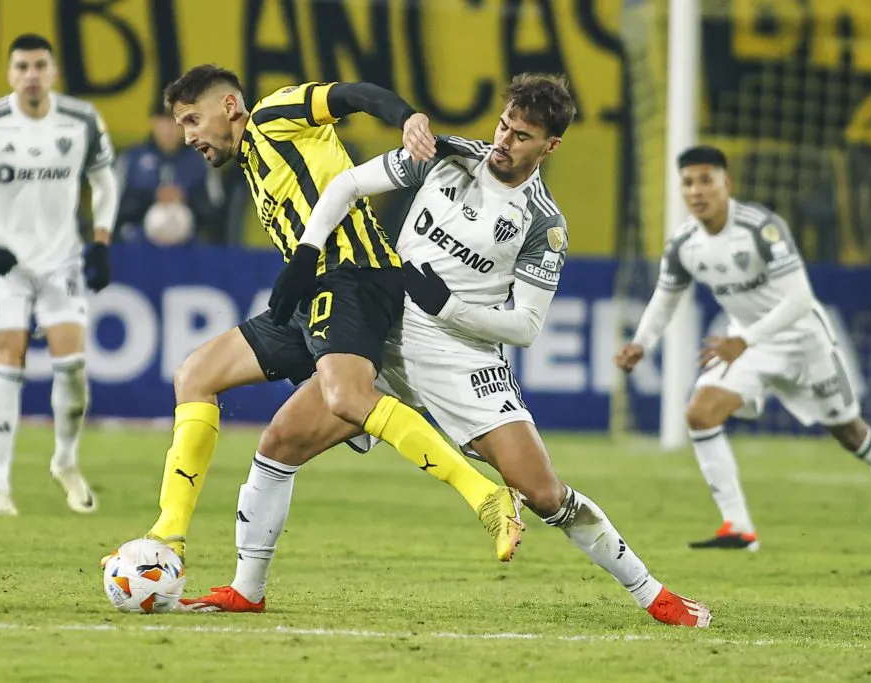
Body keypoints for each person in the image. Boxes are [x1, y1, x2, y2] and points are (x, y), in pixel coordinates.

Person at [178, 74, 712, 628]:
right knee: (280, 443)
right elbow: (347, 186)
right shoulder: (446, 155)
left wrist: (448, 307)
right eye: (503, 125)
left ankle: (654, 594)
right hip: (385, 326)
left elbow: (526, 327)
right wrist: (309, 251)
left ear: (550, 146)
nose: (504, 141)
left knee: (543, 493)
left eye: (522, 136)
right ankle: (247, 589)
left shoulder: (543, 223)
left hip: (464, 356)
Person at [107, 65, 523, 567]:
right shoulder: (251, 161)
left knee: (348, 398)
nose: (188, 135)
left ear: (229, 106)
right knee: (195, 375)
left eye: (193, 120)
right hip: (313, 291)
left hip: (356, 276)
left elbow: (352, 93)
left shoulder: (274, 115)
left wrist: (407, 117)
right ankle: (168, 535)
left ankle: (487, 497)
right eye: (181, 125)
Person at [614, 145, 871, 551]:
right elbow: (665, 299)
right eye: (688, 183)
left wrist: (744, 340)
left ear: (726, 183)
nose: (697, 191)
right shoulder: (683, 244)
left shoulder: (760, 228)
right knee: (700, 413)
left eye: (706, 180)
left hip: (803, 340)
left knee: (849, 431)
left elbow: (800, 299)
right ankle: (739, 528)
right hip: (748, 343)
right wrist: (641, 343)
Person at [0, 33, 118, 517]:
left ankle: (65, 461)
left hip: (61, 260)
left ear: (54, 71)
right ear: (10, 74)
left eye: (40, 65)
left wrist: (101, 241)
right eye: (22, 66)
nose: (32, 75)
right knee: (8, 360)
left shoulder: (81, 120)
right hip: (5, 263)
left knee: (73, 365)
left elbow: (105, 183)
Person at [115, 103, 219, 245]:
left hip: (189, 246)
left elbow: (215, 209)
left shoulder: (202, 160)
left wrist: (186, 199)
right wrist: (151, 198)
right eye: (163, 121)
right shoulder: (131, 158)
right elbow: (113, 208)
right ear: (153, 122)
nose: (169, 129)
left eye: (176, 122)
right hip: (137, 243)